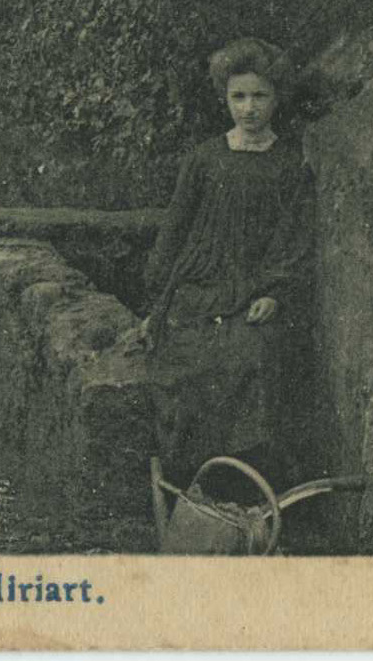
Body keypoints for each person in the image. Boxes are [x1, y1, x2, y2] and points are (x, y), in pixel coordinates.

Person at [138, 38, 315, 494]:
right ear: (225, 98)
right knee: (188, 361)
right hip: (199, 286)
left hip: (252, 289)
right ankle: (188, 483)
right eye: (239, 96)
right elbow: (175, 230)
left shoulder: (290, 165)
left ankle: (242, 489)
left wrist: (274, 294)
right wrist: (158, 302)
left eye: (260, 96)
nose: (249, 108)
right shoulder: (204, 158)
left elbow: (293, 240)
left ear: (277, 99)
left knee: (251, 357)